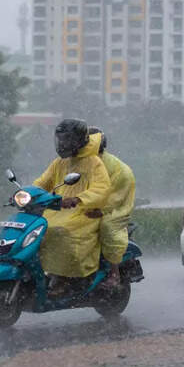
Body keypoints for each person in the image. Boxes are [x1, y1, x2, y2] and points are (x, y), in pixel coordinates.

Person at [33, 119, 110, 295]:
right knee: (39, 228)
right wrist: (28, 194)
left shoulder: (93, 162)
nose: (62, 144)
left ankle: (64, 278)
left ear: (78, 141)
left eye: (67, 139)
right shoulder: (59, 164)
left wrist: (78, 199)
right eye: (60, 139)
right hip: (59, 211)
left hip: (83, 213)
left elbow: (101, 188)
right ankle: (44, 271)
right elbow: (42, 183)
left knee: (61, 231)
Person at [86, 127, 136, 287]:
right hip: (90, 207)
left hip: (116, 208)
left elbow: (116, 196)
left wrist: (100, 211)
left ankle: (114, 274)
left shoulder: (115, 168)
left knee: (107, 226)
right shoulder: (81, 163)